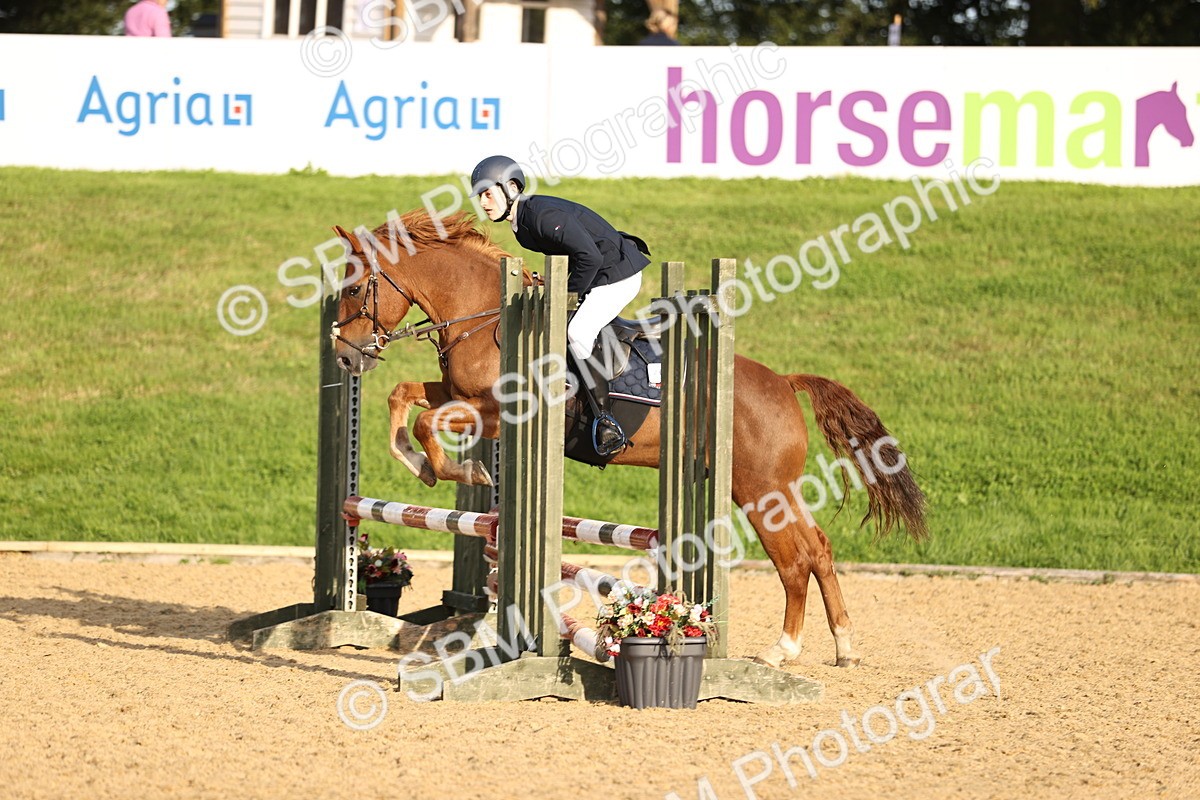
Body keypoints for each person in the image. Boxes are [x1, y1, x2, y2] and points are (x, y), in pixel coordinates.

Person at [471, 154, 651, 452]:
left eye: (488, 194)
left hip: (618, 276)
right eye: (480, 197)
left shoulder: (540, 217)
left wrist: (565, 294)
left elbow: (589, 258)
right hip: (599, 271)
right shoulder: (522, 222)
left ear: (511, 187)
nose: (484, 203)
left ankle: (606, 422)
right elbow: (574, 254)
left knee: (577, 332)